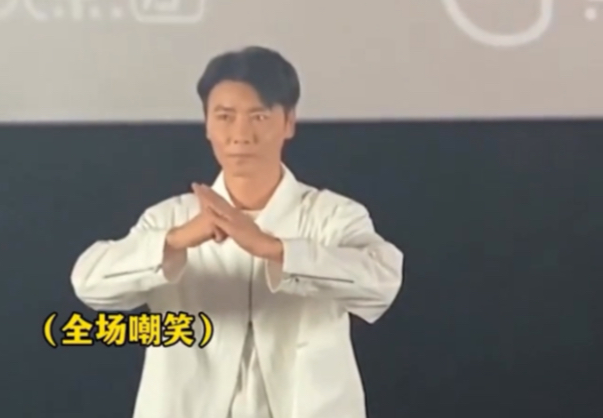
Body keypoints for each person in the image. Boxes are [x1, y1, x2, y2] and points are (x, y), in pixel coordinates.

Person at [71, 46, 404, 418]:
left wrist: (275, 249)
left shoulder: (331, 215)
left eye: (259, 116)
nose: (241, 134)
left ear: (289, 122)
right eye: (225, 117)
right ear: (207, 125)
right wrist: (177, 240)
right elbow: (89, 283)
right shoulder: (172, 217)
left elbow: (383, 281)